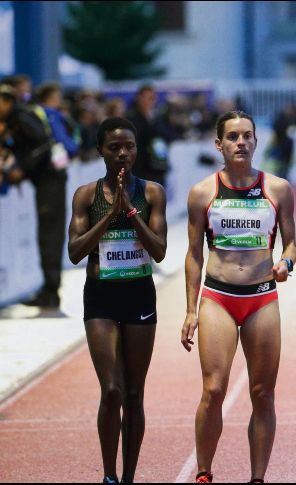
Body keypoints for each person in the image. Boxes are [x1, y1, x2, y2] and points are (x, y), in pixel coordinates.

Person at [181, 110, 296, 484]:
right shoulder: (203, 192)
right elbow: (195, 254)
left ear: (256, 141)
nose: (241, 142)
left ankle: (258, 477)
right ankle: (204, 473)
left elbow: (292, 243)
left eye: (247, 136)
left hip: (263, 297)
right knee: (214, 390)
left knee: (263, 393)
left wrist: (285, 262)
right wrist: (189, 310)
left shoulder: (277, 189)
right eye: (232, 137)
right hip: (218, 298)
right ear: (219, 144)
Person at [67, 117, 168, 483]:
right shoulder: (85, 195)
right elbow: (75, 252)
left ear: (137, 150)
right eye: (114, 147)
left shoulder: (152, 193)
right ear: (100, 152)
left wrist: (130, 214)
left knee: (134, 393)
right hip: (101, 300)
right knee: (111, 390)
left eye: (129, 146)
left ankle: (128, 477)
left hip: (140, 294)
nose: (123, 153)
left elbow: (159, 252)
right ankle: (109, 476)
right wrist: (109, 214)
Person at [0, 83, 66, 308]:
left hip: (51, 181)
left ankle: (51, 291)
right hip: (48, 180)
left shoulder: (21, 117)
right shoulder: (16, 118)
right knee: (48, 234)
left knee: (49, 235)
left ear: (7, 101)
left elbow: (43, 145)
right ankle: (49, 289)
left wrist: (22, 169)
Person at [127, 84, 171, 187]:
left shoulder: (159, 118)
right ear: (139, 98)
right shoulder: (131, 118)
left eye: (153, 98)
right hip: (139, 169)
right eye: (149, 98)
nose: (151, 101)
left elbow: (168, 135)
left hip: (158, 167)